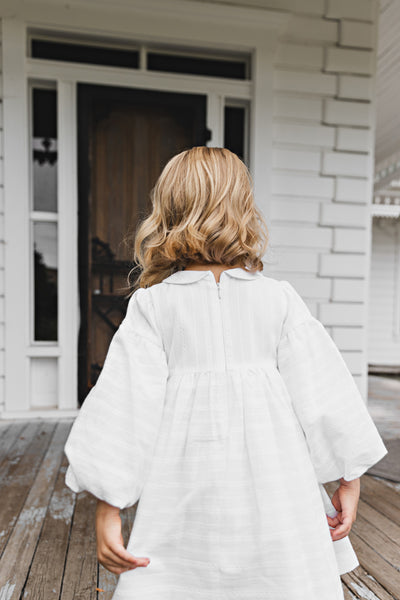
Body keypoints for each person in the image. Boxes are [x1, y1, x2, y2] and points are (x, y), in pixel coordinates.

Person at [64, 146, 388, 600]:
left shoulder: (154, 305)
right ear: (244, 210)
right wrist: (347, 479)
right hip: (280, 488)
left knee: (178, 581)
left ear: (168, 212)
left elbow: (124, 406)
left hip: (182, 488)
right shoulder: (278, 299)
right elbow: (324, 391)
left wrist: (108, 507)